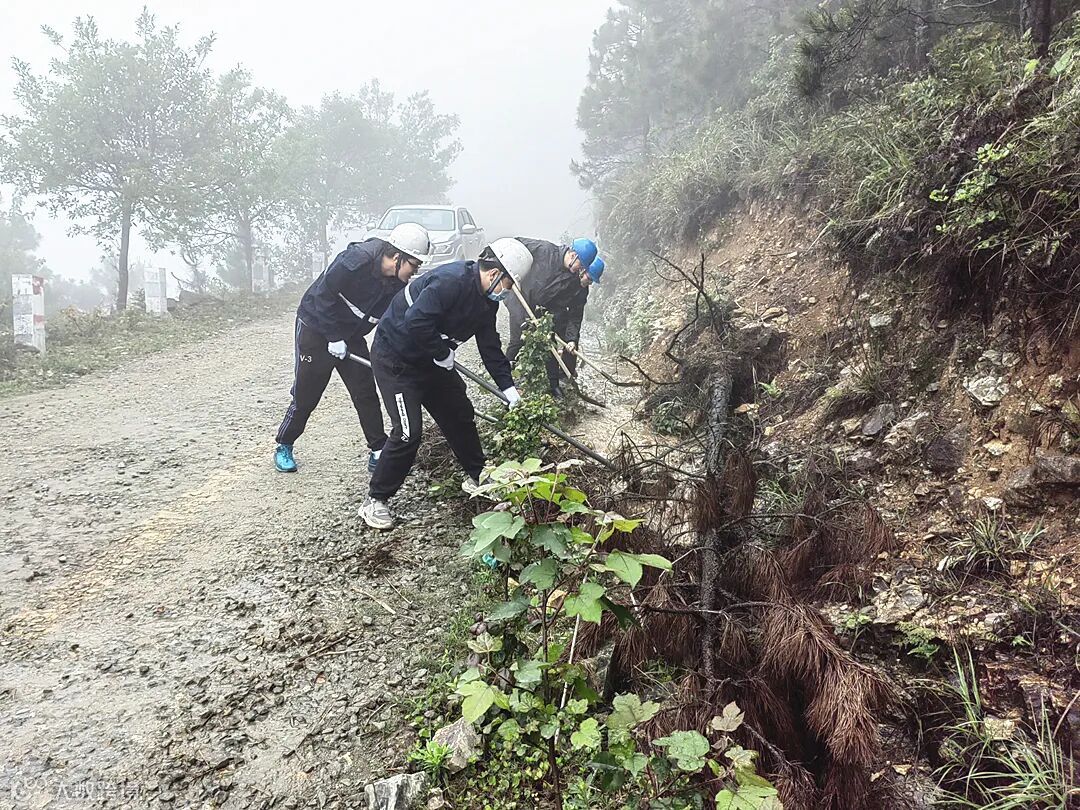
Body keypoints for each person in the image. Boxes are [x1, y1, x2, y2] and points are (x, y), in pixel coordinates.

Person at [359, 238, 534, 530]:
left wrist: (509, 389)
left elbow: (490, 348)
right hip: (396, 360)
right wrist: (442, 353)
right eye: (507, 285)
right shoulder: (450, 281)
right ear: (494, 274)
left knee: (459, 412)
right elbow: (416, 321)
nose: (506, 293)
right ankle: (375, 500)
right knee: (407, 431)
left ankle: (477, 475)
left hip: (430, 361)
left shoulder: (486, 303)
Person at [273, 223, 431, 474]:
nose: (415, 272)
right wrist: (333, 337)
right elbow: (321, 296)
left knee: (365, 391)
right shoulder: (355, 260)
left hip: (351, 335)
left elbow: (396, 322)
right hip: (316, 327)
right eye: (414, 264)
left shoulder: (397, 284)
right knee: (307, 394)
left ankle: (378, 449)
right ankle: (284, 444)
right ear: (398, 256)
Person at [505, 237, 599, 396]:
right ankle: (505, 381)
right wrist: (506, 269)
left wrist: (570, 338)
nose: (580, 270)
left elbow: (570, 312)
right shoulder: (545, 250)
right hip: (519, 297)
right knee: (518, 339)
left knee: (549, 340)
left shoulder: (570, 277)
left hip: (539, 307)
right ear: (573, 255)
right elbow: (513, 244)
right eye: (580, 266)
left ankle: (553, 384)